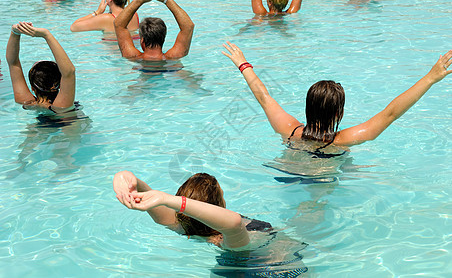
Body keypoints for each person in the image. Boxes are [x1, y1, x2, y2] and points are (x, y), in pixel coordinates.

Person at [222, 41, 452, 147]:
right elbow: (391, 113)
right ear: (339, 111)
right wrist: (430, 78)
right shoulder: (342, 141)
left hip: (286, 176)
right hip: (321, 184)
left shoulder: (289, 129)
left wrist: (243, 64)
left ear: (308, 106)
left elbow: (264, 97)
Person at [113, 171, 308, 275]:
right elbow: (232, 221)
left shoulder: (183, 225)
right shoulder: (220, 233)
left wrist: (166, 198)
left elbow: (233, 222)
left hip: (266, 266)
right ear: (219, 205)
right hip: (275, 267)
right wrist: (125, 178)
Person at [6, 22, 76, 113]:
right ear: (60, 84)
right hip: (67, 125)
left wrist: (15, 32)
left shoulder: (27, 102)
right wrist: (46, 34)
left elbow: (13, 64)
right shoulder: (62, 106)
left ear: (32, 88)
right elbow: (69, 72)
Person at [114, 0, 194, 60]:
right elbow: (188, 27)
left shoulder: (132, 57)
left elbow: (119, 25)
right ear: (163, 40)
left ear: (142, 41)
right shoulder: (174, 57)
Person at [70, 0, 139, 35]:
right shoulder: (134, 15)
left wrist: (97, 12)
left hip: (111, 52)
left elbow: (73, 27)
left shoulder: (106, 18)